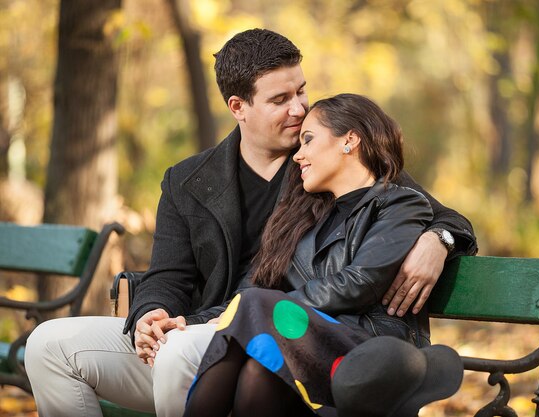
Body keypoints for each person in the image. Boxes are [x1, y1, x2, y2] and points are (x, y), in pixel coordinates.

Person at [24, 29, 476, 417]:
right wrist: (150, 315)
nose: (299, 108)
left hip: (276, 343)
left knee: (180, 351)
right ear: (238, 106)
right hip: (199, 329)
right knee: (50, 344)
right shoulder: (186, 181)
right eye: (281, 99)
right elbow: (168, 276)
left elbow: (425, 208)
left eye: (301, 90)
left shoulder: (326, 161)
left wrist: (437, 238)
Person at [183, 93, 464, 417]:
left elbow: (362, 282)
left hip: (367, 354)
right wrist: (192, 321)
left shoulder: (400, 203)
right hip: (305, 348)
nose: (298, 156)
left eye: (308, 140)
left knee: (254, 308)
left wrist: (267, 306)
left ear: (349, 141)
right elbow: (253, 286)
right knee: (259, 370)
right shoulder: (303, 219)